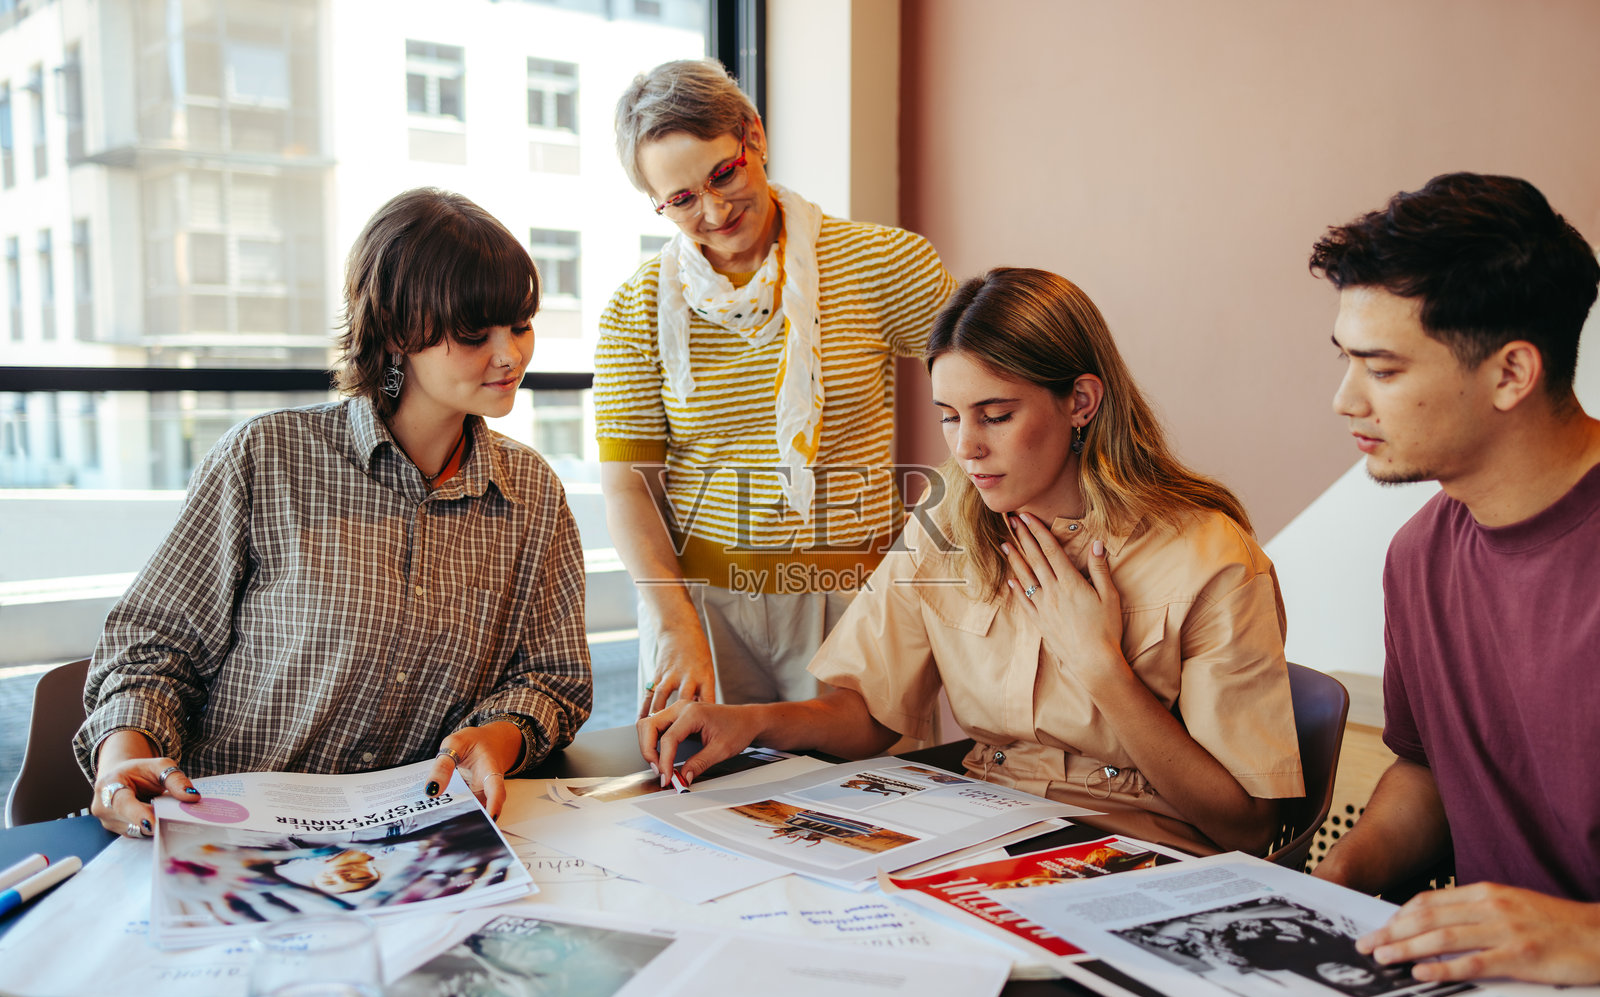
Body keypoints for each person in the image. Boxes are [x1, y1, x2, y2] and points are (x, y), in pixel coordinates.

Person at [640, 268, 1304, 855]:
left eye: (995, 414)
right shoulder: (947, 520)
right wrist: (751, 719)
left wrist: (1102, 667)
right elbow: (870, 713)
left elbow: (1245, 827)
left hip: (1135, 851)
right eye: (951, 417)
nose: (967, 447)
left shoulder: (1209, 555)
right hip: (979, 831)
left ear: (1081, 402)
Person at [75, 188, 592, 834]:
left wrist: (500, 736)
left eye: (519, 324)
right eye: (474, 333)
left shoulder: (532, 495)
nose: (510, 354)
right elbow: (151, 650)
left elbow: (553, 677)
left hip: (410, 849)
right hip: (225, 836)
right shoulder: (265, 459)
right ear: (400, 331)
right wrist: (124, 755)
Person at [1307, 172, 1600, 986]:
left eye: (1383, 369)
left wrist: (1585, 936)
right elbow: (1429, 772)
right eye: (1346, 361)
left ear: (1512, 373)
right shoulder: (1420, 553)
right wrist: (1328, 887)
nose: (1344, 399)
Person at [595, 59, 956, 716]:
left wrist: (941, 521)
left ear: (752, 136)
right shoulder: (636, 307)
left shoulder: (884, 263)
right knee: (698, 804)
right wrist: (677, 625)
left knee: (869, 806)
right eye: (680, 200)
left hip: (851, 601)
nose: (713, 209)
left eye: (723, 173)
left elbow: (994, 382)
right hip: (697, 610)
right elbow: (628, 487)